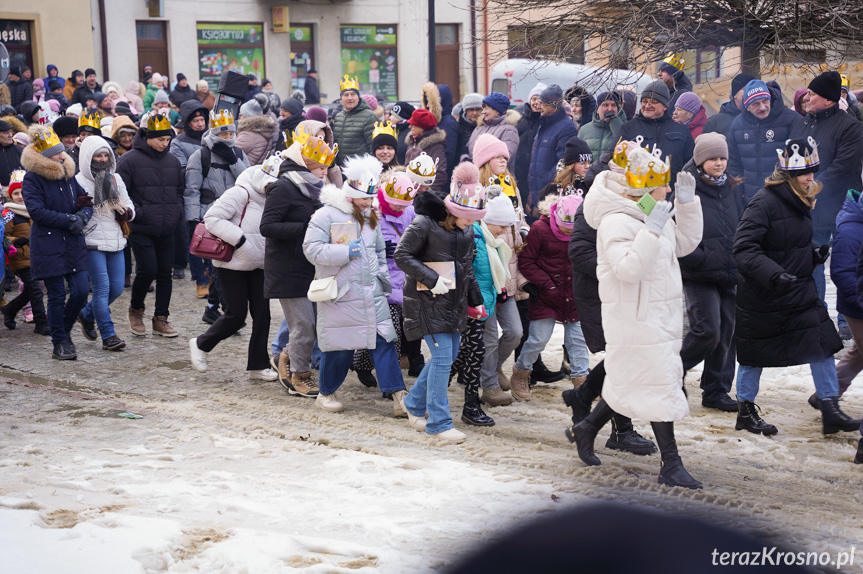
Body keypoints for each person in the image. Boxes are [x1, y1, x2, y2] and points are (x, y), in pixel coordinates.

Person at [577, 144, 704, 489]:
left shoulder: (645, 207)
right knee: (658, 384)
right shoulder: (615, 221)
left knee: (632, 382)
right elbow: (628, 269)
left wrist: (687, 206)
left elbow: (682, 246)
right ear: (642, 186)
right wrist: (651, 230)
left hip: (658, 314)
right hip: (634, 316)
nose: (665, 190)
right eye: (660, 184)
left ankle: (586, 427)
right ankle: (671, 464)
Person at [733, 137, 860, 436]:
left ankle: (830, 408)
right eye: (805, 173)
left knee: (822, 343)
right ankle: (745, 411)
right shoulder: (764, 201)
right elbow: (744, 248)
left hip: (797, 290)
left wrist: (812, 253)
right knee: (754, 355)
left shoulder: (798, 199)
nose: (810, 179)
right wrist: (774, 274)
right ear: (788, 175)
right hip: (764, 294)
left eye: (813, 172)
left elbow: (786, 240)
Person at [303, 154, 409, 413]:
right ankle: (326, 392)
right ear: (350, 194)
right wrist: (345, 252)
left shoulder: (371, 216)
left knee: (385, 342)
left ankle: (398, 395)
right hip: (342, 294)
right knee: (340, 346)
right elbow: (311, 249)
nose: (369, 203)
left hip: (372, 293)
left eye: (371, 198)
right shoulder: (325, 215)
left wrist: (383, 281)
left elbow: (379, 252)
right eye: (364, 198)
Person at [395, 162, 486, 444]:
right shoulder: (424, 223)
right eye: (468, 217)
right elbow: (402, 255)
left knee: (444, 358)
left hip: (454, 304)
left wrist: (476, 300)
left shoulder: (467, 231)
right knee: (444, 359)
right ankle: (439, 423)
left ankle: (412, 404)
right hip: (426, 301)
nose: (471, 222)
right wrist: (432, 279)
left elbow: (467, 268)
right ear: (455, 209)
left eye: (475, 218)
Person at [260, 127, 337, 398]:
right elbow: (267, 227)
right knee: (303, 326)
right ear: (309, 164)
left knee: (313, 324)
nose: (325, 173)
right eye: (321, 168)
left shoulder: (316, 188)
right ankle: (299, 376)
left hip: (310, 266)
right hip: (287, 268)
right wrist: (308, 227)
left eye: (326, 169)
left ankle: (286, 358)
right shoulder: (283, 187)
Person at [188, 155, 278, 381]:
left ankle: (258, 365)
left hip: (259, 264)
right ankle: (201, 344)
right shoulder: (240, 193)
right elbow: (212, 218)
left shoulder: (275, 198)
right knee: (236, 315)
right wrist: (241, 241)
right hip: (231, 264)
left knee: (263, 315)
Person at [677, 133, 741, 412]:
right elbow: (678, 229)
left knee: (726, 332)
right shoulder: (686, 187)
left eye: (722, 157)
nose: (719, 163)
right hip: (699, 272)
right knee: (707, 330)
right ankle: (671, 371)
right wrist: (699, 259)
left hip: (729, 270)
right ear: (701, 160)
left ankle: (716, 389)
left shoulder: (731, 187)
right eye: (713, 158)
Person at [20, 125, 93, 360]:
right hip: (48, 244)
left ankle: (64, 328)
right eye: (56, 153)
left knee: (81, 292)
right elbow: (37, 211)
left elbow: (85, 201)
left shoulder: (68, 175)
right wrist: (68, 219)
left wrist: (83, 216)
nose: (62, 155)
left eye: (61, 152)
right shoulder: (32, 178)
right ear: (44, 156)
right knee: (57, 295)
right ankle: (60, 342)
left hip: (72, 242)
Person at [789, 71, 863, 300]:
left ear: (828, 100)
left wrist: (814, 184)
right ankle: (817, 314)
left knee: (847, 265)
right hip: (813, 207)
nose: (807, 98)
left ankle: (846, 320)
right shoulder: (801, 124)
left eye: (812, 94)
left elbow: (843, 165)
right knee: (813, 263)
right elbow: (793, 161)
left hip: (844, 209)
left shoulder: (851, 126)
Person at [512, 193, 590, 398]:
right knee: (538, 339)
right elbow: (526, 261)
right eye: (565, 226)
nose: (568, 231)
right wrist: (547, 285)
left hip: (574, 294)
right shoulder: (539, 229)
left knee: (578, 339)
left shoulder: (585, 229)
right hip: (548, 293)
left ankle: (581, 380)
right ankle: (521, 371)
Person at [117, 113, 184, 338]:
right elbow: (120, 192)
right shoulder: (128, 160)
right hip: (142, 227)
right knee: (147, 270)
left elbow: (178, 191)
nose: (165, 144)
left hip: (167, 226)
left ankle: (161, 318)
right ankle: (136, 309)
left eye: (168, 140)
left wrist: (176, 213)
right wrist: (139, 213)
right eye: (160, 140)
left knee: (166, 273)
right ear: (147, 137)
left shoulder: (173, 161)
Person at [185, 110, 249, 323]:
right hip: (210, 217)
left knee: (224, 263)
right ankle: (229, 311)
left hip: (236, 216)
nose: (227, 139)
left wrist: (233, 160)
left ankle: (213, 307)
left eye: (230, 134)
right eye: (222, 135)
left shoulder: (238, 154)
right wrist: (194, 220)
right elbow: (191, 189)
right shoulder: (200, 156)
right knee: (219, 264)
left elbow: (249, 180)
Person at [73, 136, 134, 351]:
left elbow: (129, 204)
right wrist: (79, 208)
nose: (102, 159)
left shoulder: (115, 178)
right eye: (98, 155)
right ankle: (108, 334)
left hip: (116, 239)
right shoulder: (78, 182)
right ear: (88, 157)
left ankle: (86, 314)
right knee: (102, 289)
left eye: (105, 155)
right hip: (91, 240)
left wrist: (127, 213)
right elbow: (73, 213)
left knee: (116, 289)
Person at [726, 79, 804, 211]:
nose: (762, 107)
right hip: (751, 201)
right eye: (756, 104)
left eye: (765, 101)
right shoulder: (737, 125)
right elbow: (734, 165)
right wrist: (739, 197)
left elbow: (799, 163)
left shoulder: (792, 120)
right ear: (747, 106)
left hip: (785, 200)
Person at [819, 188, 863, 409]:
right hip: (856, 307)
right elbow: (841, 273)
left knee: (858, 354)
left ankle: (825, 395)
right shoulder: (851, 231)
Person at [608, 81, 695, 188]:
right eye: (644, 101)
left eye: (653, 102)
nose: (647, 105)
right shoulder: (628, 128)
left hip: (671, 195)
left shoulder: (681, 130)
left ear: (665, 106)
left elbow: (690, 164)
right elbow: (612, 159)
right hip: (636, 195)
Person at [1, 170, 49, 335]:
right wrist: (15, 241)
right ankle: (41, 322)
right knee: (35, 288)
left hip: (39, 256)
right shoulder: (8, 214)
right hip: (20, 257)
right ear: (10, 195)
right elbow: (4, 235)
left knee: (31, 289)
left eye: (22, 192)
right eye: (16, 193)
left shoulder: (35, 209)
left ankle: (10, 310)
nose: (20, 196)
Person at [527, 84, 579, 215]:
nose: (539, 106)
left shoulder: (567, 127)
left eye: (543, 103)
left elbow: (563, 162)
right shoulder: (543, 124)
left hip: (551, 193)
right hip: (537, 192)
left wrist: (546, 182)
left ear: (554, 106)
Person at [466, 92, 520, 174]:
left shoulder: (509, 130)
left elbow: (505, 157)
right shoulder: (479, 128)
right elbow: (468, 150)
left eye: (486, 108)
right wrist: (465, 160)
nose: (483, 112)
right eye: (483, 108)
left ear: (498, 111)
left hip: (498, 181)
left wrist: (478, 163)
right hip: (478, 178)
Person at [332, 76, 377, 166]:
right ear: (341, 99)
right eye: (346, 95)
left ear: (358, 97)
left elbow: (374, 147)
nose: (350, 98)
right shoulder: (338, 117)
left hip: (360, 169)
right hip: (341, 169)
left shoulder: (369, 116)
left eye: (353, 94)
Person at [420, 83, 458, 181]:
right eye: (426, 102)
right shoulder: (439, 121)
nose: (427, 105)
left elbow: (448, 154)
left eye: (430, 102)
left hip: (443, 177)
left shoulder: (448, 122)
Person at [404, 108, 447, 193]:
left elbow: (440, 174)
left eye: (413, 124)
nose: (410, 127)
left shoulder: (435, 146)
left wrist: (426, 192)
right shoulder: (413, 141)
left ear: (422, 128)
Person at [578, 91, 626, 159]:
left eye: (613, 105)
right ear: (597, 109)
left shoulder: (625, 128)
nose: (610, 109)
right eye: (605, 105)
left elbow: (625, 148)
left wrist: (615, 122)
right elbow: (577, 155)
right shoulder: (584, 129)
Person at [235, 98, 278, 166]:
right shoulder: (264, 130)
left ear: (247, 117)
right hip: (253, 172)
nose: (239, 118)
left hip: (242, 173)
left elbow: (231, 154)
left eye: (241, 115)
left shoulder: (247, 136)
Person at [455, 93, 481, 166]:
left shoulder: (487, 126)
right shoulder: (458, 127)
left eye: (478, 109)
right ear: (465, 111)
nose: (475, 113)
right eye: (471, 110)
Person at [0, 119, 23, 187]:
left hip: (20, 191)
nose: (10, 135)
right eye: (6, 133)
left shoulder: (20, 151)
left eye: (10, 132)